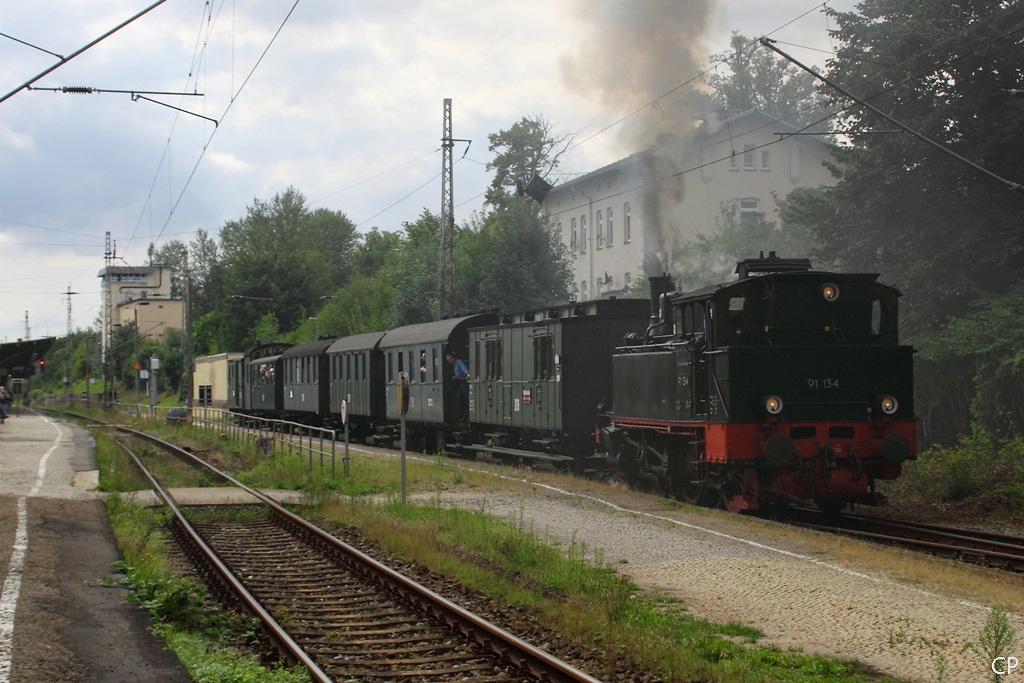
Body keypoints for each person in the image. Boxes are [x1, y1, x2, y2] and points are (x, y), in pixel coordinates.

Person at [445, 349, 469, 422]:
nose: (449, 361)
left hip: (464, 382)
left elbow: (465, 370)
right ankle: (465, 414)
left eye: (450, 359)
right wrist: (455, 377)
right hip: (461, 382)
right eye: (448, 360)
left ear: (453, 357)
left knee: (465, 398)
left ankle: (467, 414)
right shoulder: (454, 365)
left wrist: (467, 374)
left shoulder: (458, 362)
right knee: (459, 400)